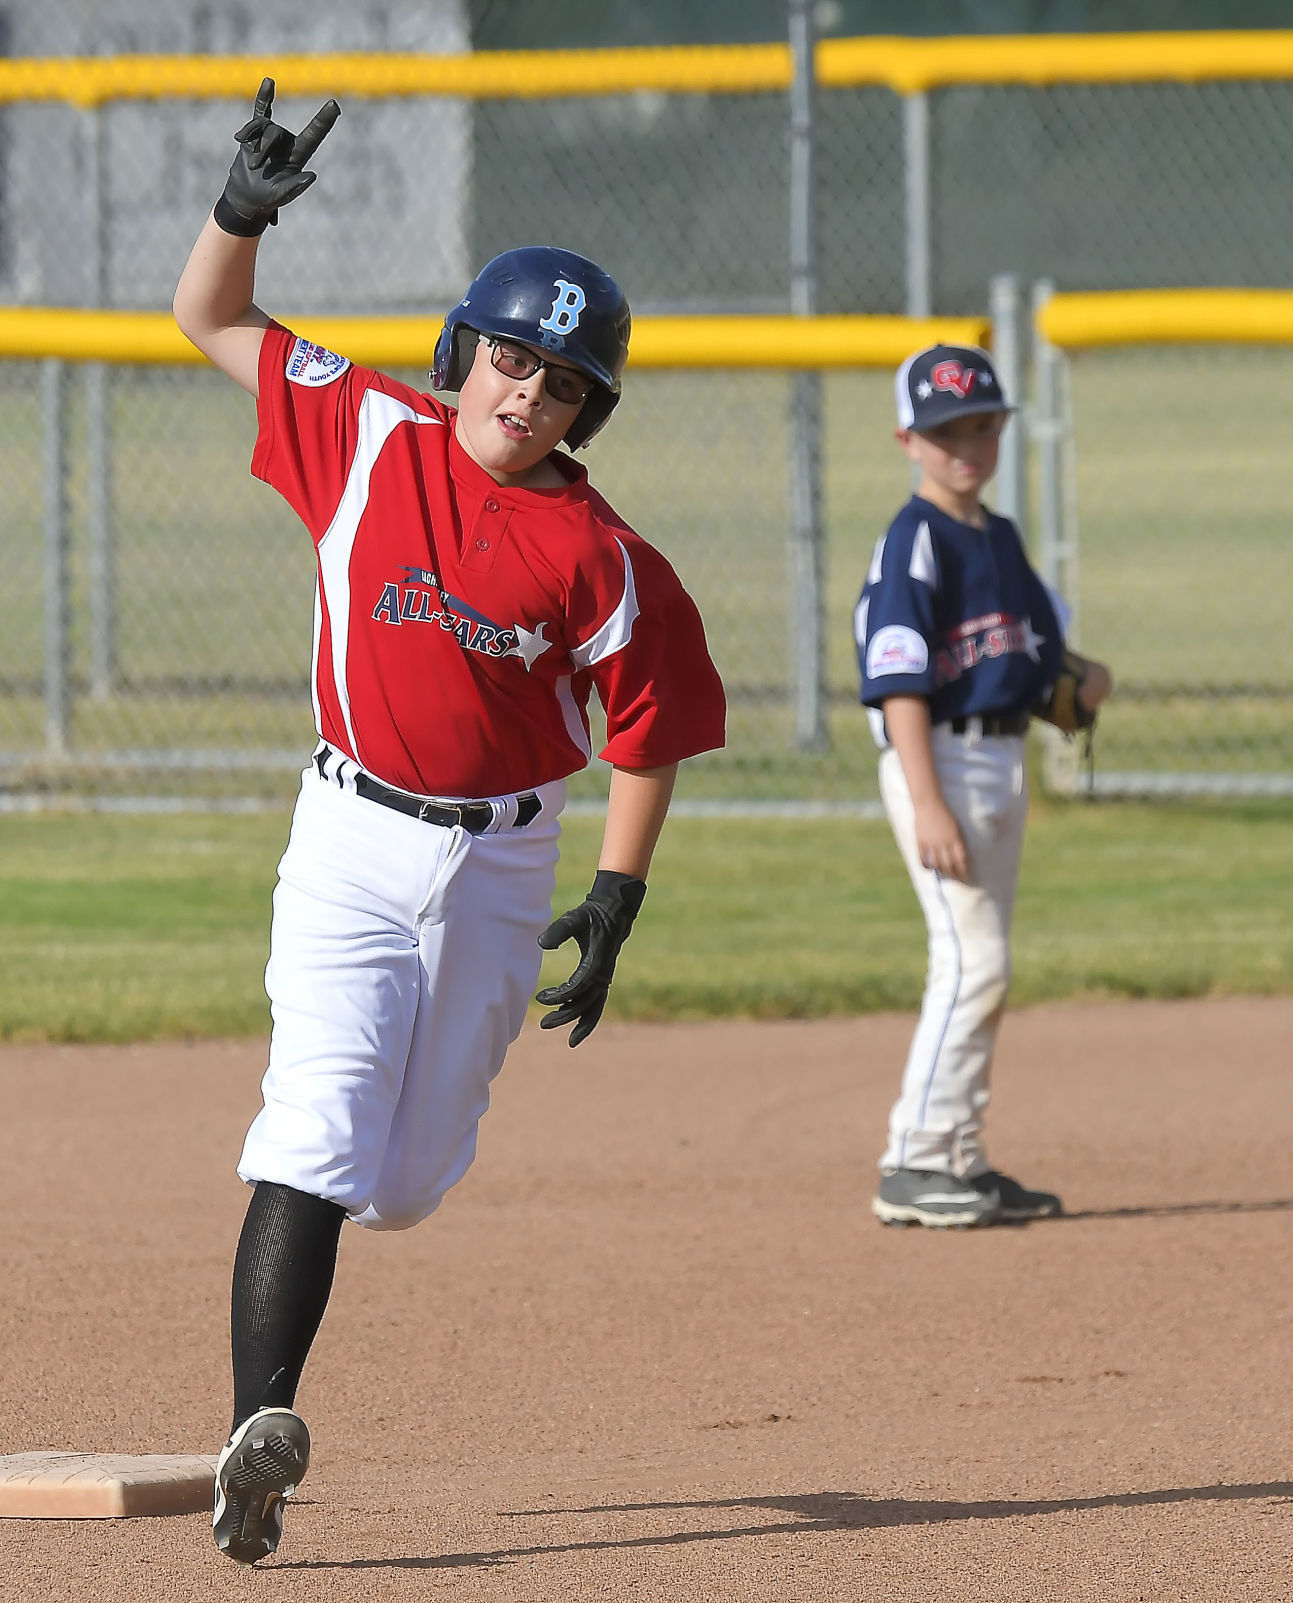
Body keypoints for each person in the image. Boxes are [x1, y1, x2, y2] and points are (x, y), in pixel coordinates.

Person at [173, 80, 726, 1564]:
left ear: (585, 407)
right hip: (349, 837)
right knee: (314, 1124)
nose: (520, 391)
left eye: (555, 377)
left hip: (498, 861)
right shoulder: (365, 432)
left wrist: (615, 899)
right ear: (459, 355)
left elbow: (653, 732)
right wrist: (242, 211)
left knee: (403, 1182)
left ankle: (301, 1337)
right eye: (503, 356)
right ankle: (258, 1431)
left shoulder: (605, 557)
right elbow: (214, 320)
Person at [853, 343, 1111, 1231]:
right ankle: (913, 1160)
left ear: (1001, 429)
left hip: (999, 761)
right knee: (974, 963)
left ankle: (959, 1154)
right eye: (944, 429)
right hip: (938, 764)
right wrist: (925, 799)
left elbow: (1039, 675)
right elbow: (899, 683)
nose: (965, 443)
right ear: (908, 439)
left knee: (980, 968)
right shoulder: (913, 538)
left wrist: (1079, 687)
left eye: (979, 425)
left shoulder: (996, 539)